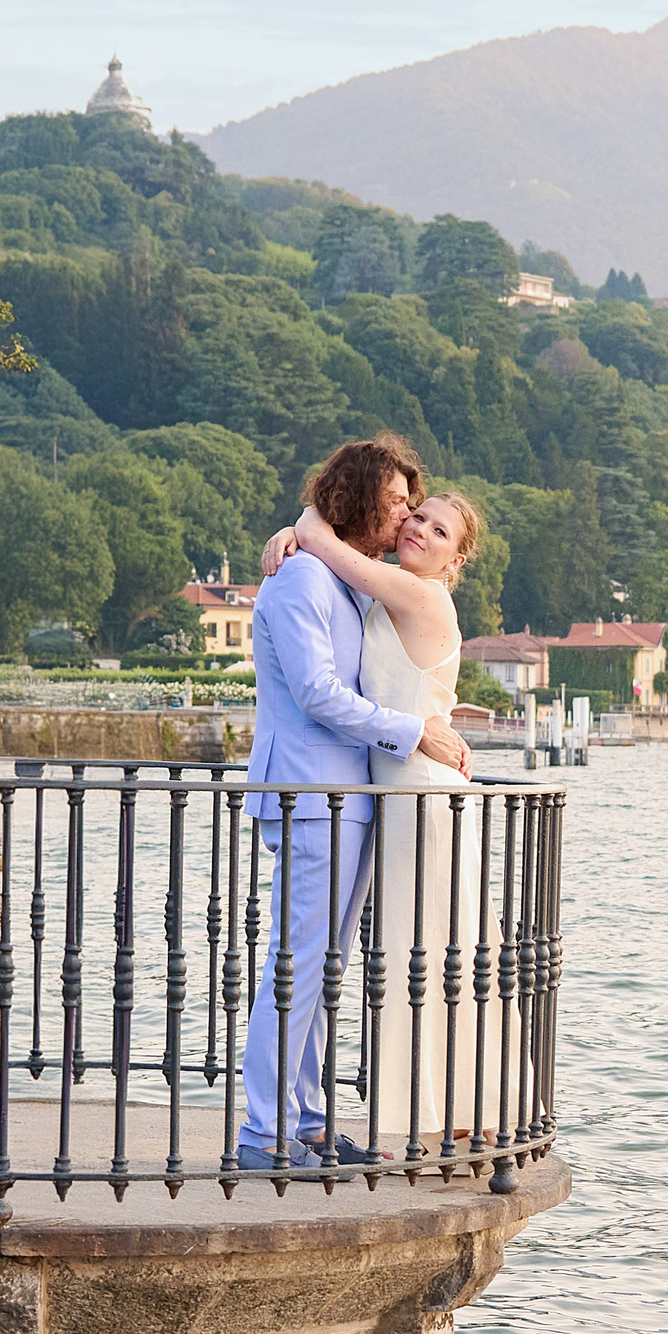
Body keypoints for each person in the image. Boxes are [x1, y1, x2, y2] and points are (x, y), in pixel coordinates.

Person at [239, 434, 467, 1173]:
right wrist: (415, 732)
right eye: (398, 502)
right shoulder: (306, 580)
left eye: (415, 506)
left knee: (323, 971)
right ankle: (262, 1135)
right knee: (297, 968)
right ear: (361, 496)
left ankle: (304, 1123)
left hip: (355, 801)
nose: (405, 517)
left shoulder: (347, 580)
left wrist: (301, 524)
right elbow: (316, 694)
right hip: (311, 795)